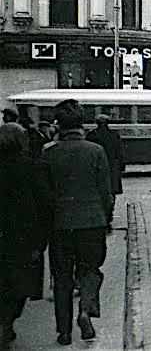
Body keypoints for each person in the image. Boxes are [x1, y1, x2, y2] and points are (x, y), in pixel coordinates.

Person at [40, 99, 112, 346]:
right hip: (92, 222)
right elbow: (106, 191)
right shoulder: (96, 151)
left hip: (61, 225)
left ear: (58, 124)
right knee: (90, 270)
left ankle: (64, 332)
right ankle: (85, 312)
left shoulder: (49, 153)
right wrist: (107, 219)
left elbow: (44, 193)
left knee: (62, 278)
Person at [0, 124, 52, 348]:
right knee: (19, 284)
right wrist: (42, 237)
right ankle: (7, 321)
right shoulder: (31, 167)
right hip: (22, 236)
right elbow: (44, 204)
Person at [86, 115, 124, 232]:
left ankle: (101, 218)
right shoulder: (114, 136)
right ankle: (108, 217)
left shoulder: (91, 136)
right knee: (111, 194)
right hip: (112, 169)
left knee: (97, 194)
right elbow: (120, 153)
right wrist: (121, 167)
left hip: (95, 168)